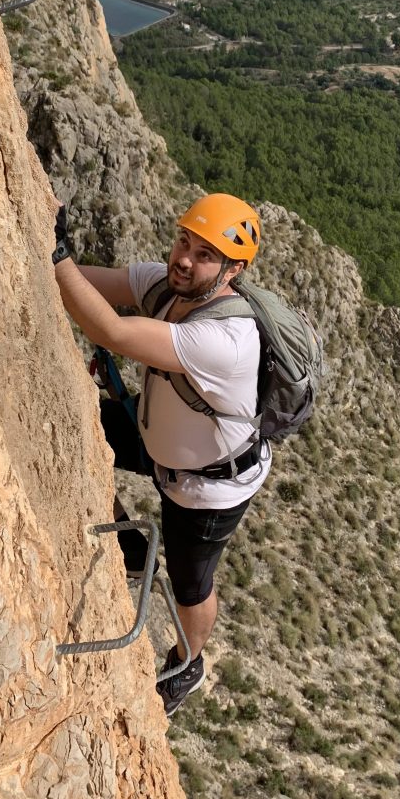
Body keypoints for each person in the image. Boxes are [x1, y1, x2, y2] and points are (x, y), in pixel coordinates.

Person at [52, 193, 271, 715]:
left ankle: (188, 661)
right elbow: (86, 281)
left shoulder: (227, 338)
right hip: (157, 444)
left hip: (209, 485)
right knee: (69, 429)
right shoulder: (167, 286)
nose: (185, 259)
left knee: (191, 584)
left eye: (204, 254)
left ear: (233, 270)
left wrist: (54, 251)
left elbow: (111, 330)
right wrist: (37, 240)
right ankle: (129, 550)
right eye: (183, 242)